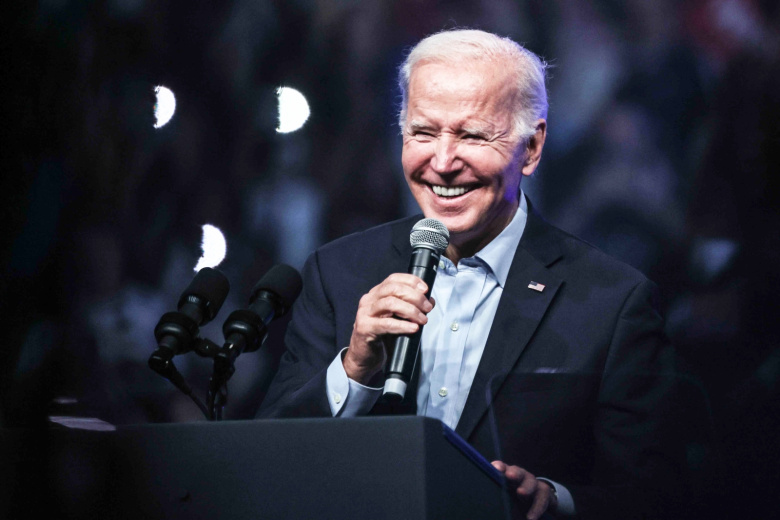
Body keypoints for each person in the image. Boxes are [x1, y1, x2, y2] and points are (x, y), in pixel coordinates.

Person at [258, 29, 681, 519]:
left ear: (531, 148)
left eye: (472, 135)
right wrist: (353, 370)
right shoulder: (338, 271)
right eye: (423, 133)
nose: (441, 163)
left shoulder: (614, 302)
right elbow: (267, 459)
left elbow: (655, 498)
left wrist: (555, 501)